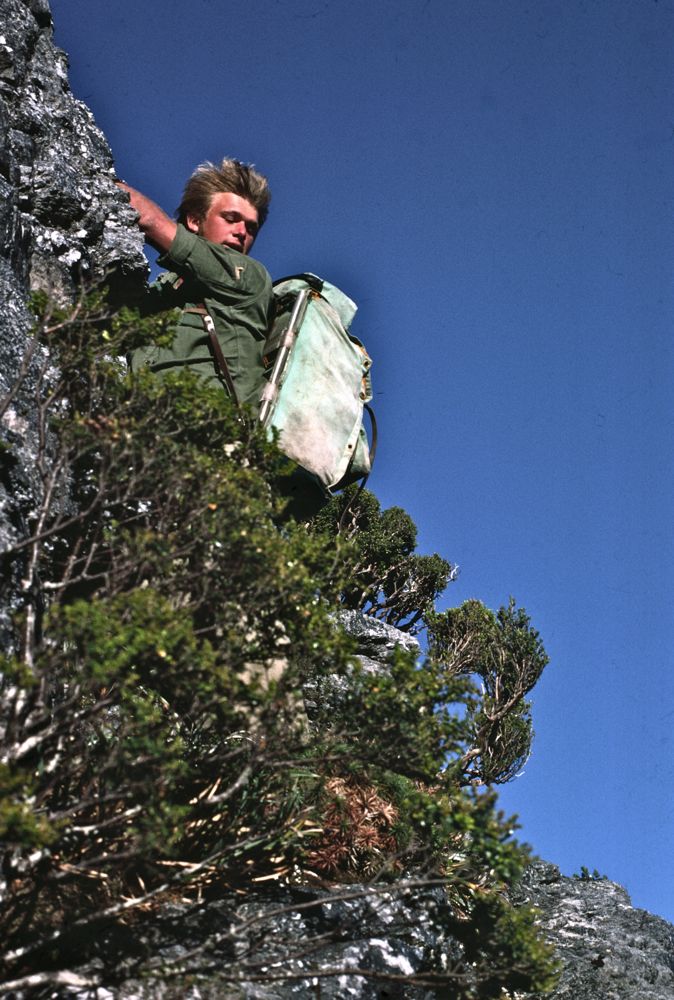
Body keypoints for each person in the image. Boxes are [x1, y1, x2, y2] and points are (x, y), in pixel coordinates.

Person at [117, 158, 273, 410]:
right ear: (194, 221)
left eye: (251, 227)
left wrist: (99, 183)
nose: (242, 232)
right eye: (230, 218)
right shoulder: (168, 287)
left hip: (212, 429)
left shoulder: (249, 277)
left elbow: (149, 221)